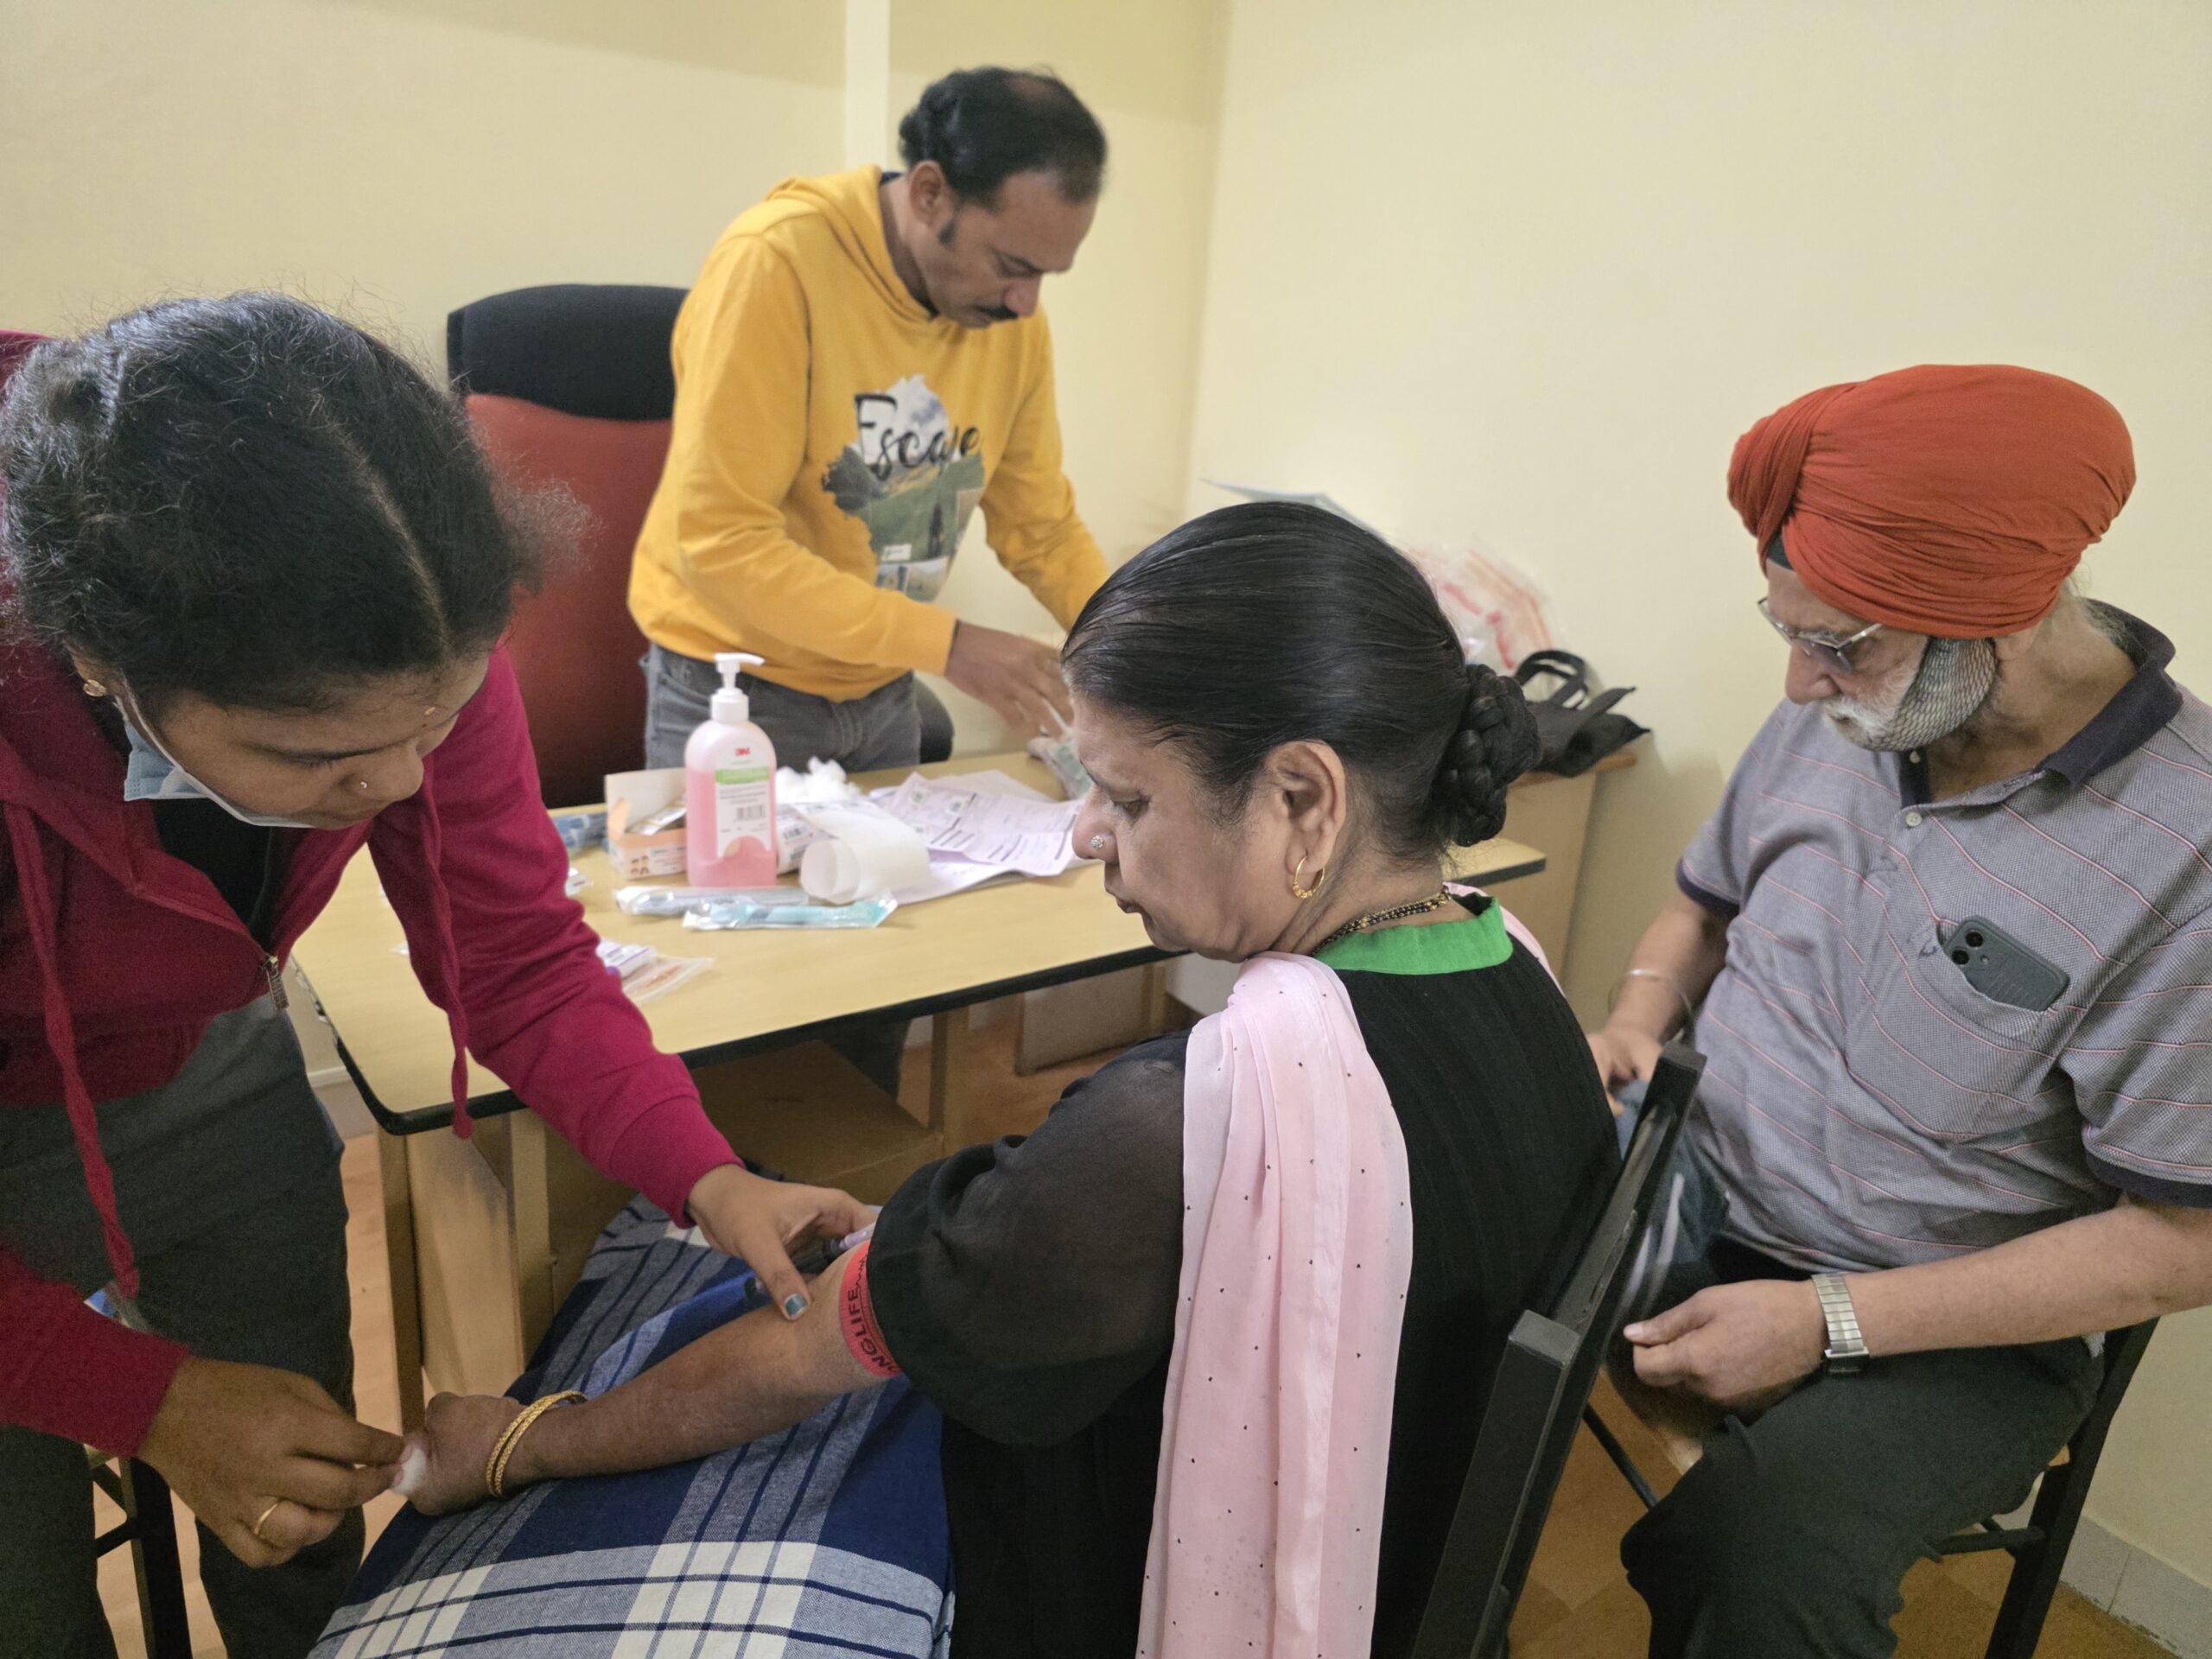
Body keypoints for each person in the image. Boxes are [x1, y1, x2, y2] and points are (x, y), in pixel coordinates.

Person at [401, 503, 1621, 1657]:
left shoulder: (1178, 1130)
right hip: (1397, 1566)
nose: (1087, 834)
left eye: (1127, 797)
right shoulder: (1526, 979)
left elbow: (801, 1359)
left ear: (1303, 797)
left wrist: (521, 1444)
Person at [0, 297, 871, 1659]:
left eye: (438, 725)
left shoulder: (403, 633)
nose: (399, 785)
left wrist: (708, 1177)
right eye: (319, 759)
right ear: (106, 660)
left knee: (299, 1494)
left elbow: (516, 957)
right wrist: (145, 1400)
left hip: (197, 1053)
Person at [1585, 365, 2212, 1658]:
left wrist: (1829, 1322)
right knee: (1405, 1267)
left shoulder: (2186, 854)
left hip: (1949, 1320)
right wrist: (1637, 1019)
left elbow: (2182, 1240)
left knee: (1764, 1555)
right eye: (1789, 632)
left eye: (1839, 643)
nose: (1800, 686)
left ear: (2005, 618)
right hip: (1691, 1186)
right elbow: (1699, 910)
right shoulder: (1851, 716)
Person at [632, 65, 1113, 777]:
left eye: (1046, 275)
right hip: (737, 693)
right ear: (929, 192)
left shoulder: (1011, 323)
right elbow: (722, 541)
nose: (1026, 303)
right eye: (1012, 264)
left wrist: (1131, 639)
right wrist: (950, 646)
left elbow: (1040, 526)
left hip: (883, 689)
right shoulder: (775, 265)